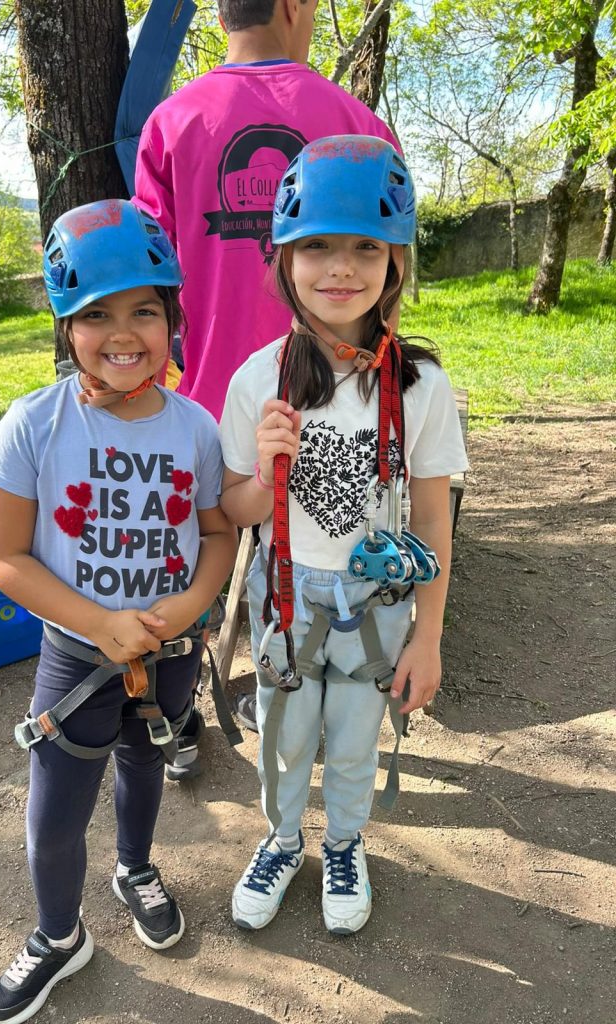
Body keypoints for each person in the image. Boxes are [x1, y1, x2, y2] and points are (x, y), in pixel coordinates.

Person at [0, 199, 237, 1024]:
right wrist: (98, 624)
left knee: (146, 764)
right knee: (54, 812)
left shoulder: (195, 428)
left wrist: (190, 605)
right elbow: (3, 556)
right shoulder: (34, 425)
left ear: (172, 319)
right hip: (77, 659)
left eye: (144, 311)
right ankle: (58, 935)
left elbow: (217, 531)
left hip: (170, 654)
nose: (123, 334)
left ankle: (134, 868)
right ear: (66, 326)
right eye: (95, 314)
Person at [134, 0, 400, 755]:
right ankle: (334, 706)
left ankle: (173, 714)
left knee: (187, 564)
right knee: (333, 559)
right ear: (293, 5)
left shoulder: (171, 123)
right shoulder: (357, 123)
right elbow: (388, 272)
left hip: (208, 404)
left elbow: (152, 285)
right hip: (336, 400)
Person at [219, 136, 468, 935]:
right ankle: (282, 839)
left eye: (366, 247)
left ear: (396, 261)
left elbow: (432, 518)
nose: (341, 268)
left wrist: (428, 638)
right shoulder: (258, 380)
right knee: (285, 737)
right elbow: (236, 512)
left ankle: (344, 844)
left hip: (378, 605)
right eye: (318, 246)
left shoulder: (421, 385)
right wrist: (264, 471)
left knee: (357, 741)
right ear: (285, 259)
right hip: (288, 599)